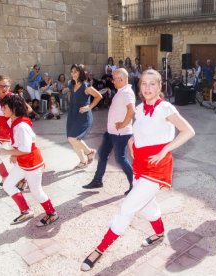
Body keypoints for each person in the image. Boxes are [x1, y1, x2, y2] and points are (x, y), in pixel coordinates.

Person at [80, 69, 195, 271]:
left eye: (152, 84)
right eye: (144, 84)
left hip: (157, 167)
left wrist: (165, 150)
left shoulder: (166, 108)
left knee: (128, 207)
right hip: (140, 164)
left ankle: (99, 249)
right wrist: (133, 142)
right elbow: (139, 132)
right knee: (146, 204)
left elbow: (188, 131)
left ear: (160, 87)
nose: (148, 88)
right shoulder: (140, 109)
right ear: (139, 86)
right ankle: (159, 233)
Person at [0, 95, 59, 226]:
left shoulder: (21, 126)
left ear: (14, 109)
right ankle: (26, 211)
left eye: (5, 107)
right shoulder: (14, 121)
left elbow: (26, 150)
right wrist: (14, 154)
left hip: (32, 164)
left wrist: (7, 152)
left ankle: (52, 213)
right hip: (23, 162)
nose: (2, 109)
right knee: (8, 185)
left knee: (36, 191)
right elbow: (20, 145)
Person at [82, 68, 135, 196]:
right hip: (112, 132)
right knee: (102, 153)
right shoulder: (121, 91)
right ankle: (97, 180)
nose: (112, 81)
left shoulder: (127, 92)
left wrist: (123, 124)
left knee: (120, 159)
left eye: (114, 78)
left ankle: (135, 184)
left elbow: (132, 110)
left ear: (121, 79)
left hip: (120, 133)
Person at [67, 64, 103, 169]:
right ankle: (83, 161)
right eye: (72, 71)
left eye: (75, 71)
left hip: (83, 116)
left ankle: (89, 152)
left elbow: (99, 96)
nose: (73, 73)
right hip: (72, 115)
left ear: (80, 73)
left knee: (73, 138)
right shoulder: (71, 84)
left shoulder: (86, 86)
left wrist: (89, 107)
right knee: (71, 139)